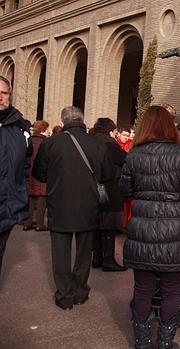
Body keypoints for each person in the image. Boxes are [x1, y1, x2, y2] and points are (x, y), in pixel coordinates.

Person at [119, 105, 180, 349]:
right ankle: (165, 343)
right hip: (174, 225)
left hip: (142, 225)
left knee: (142, 288)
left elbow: (125, 191)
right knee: (172, 289)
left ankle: (141, 342)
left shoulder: (134, 154)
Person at [33, 106, 114, 310]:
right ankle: (80, 290)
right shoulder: (97, 144)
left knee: (60, 253)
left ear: (63, 121)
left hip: (59, 202)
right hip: (89, 203)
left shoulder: (51, 143)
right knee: (84, 252)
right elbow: (107, 173)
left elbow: (39, 173)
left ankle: (64, 295)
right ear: (82, 119)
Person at [0, 75, 31, 276]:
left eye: (3, 93)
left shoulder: (20, 126)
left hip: (8, 208)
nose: (0, 98)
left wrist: (21, 192)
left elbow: (26, 163)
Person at [90, 118, 127, 272]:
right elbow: (125, 159)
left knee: (97, 224)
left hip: (92, 187)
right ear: (110, 131)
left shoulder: (90, 141)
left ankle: (97, 257)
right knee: (108, 226)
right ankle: (108, 260)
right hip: (110, 188)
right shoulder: (110, 145)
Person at [23, 120, 50, 231]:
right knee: (42, 198)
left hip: (29, 172)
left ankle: (27, 223)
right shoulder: (45, 142)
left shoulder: (30, 140)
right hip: (40, 172)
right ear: (43, 129)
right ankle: (39, 223)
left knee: (31, 198)